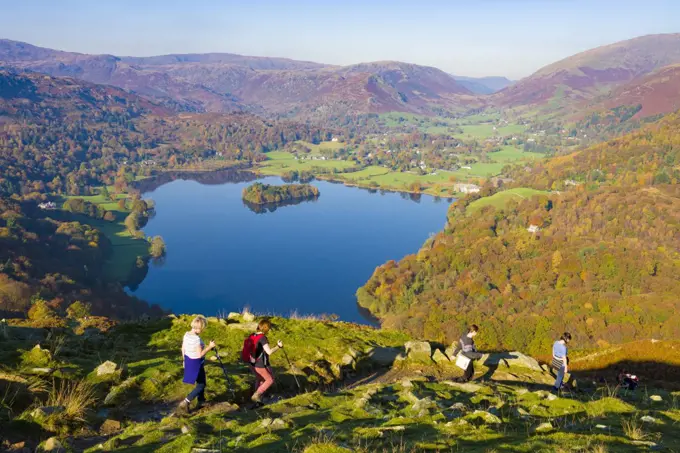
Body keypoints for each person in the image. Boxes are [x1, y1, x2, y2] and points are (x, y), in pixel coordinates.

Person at [177, 316, 216, 414]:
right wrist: (209, 347)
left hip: (189, 360)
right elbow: (199, 354)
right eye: (202, 329)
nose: (202, 330)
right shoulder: (196, 340)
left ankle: (201, 401)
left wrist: (184, 360)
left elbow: (183, 348)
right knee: (201, 385)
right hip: (196, 363)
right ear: (199, 328)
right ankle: (186, 402)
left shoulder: (186, 335)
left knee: (201, 381)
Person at [247, 319, 283, 404]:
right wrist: (278, 346)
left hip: (251, 363)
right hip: (260, 364)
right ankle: (257, 395)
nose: (269, 330)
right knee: (270, 380)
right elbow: (269, 352)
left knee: (260, 379)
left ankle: (257, 398)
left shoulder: (253, 335)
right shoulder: (262, 338)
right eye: (269, 328)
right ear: (266, 328)